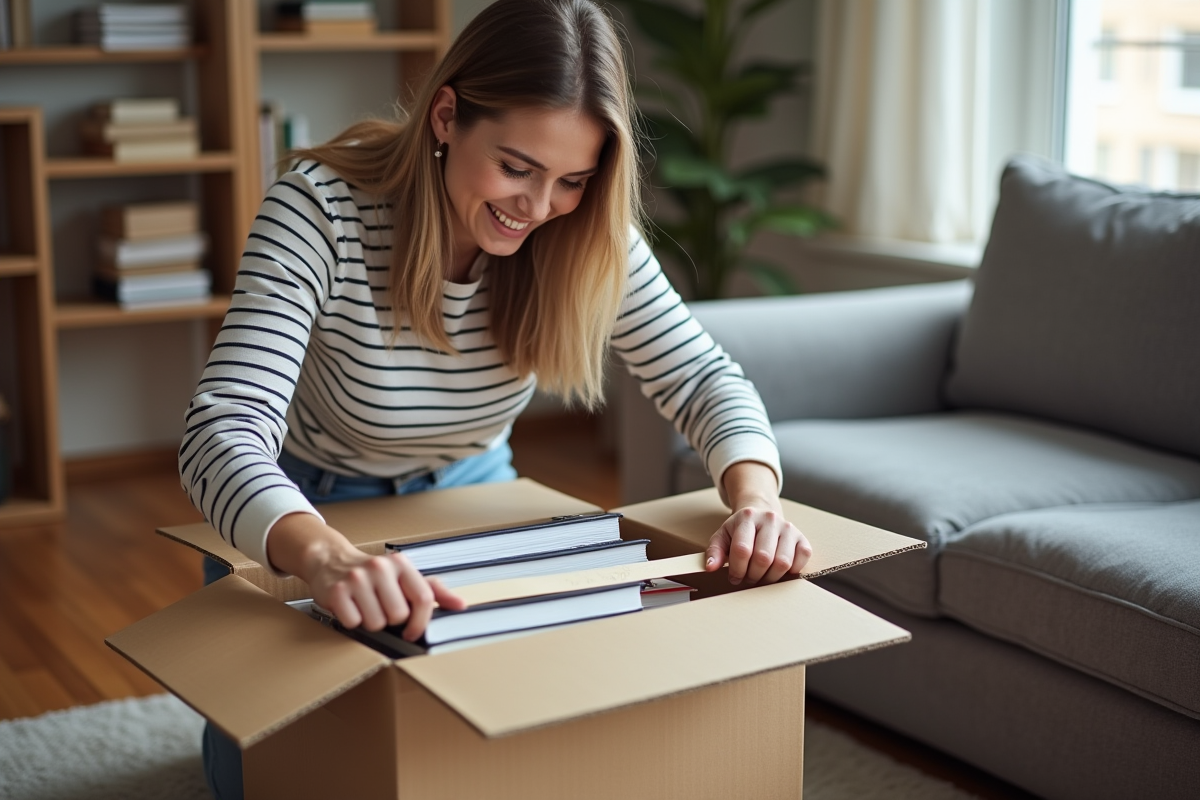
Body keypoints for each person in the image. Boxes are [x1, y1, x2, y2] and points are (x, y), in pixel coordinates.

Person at [180, 0, 811, 796]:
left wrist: (756, 500)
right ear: (447, 115)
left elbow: (702, 377)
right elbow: (222, 429)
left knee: (493, 744)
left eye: (572, 181)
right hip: (305, 509)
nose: (538, 208)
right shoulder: (321, 208)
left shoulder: (584, 234)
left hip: (470, 495)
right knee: (268, 775)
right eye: (516, 167)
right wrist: (325, 556)